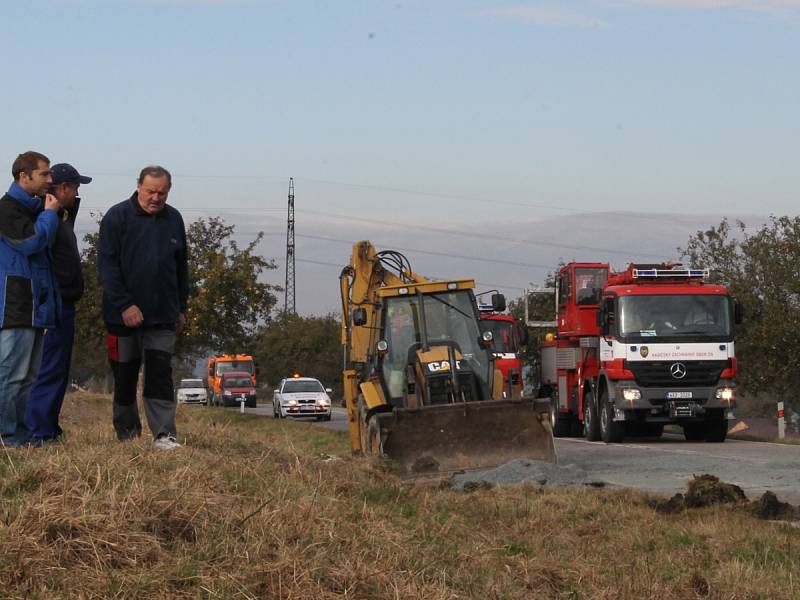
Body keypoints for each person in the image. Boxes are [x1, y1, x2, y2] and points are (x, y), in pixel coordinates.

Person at [98, 165, 188, 450]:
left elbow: (181, 269)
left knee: (160, 374)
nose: (156, 198)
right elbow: (107, 267)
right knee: (124, 376)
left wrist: (181, 307)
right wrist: (125, 305)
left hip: (163, 315)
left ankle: (164, 435)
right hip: (121, 317)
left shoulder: (174, 219)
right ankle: (127, 434)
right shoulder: (117, 217)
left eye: (162, 193)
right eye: (151, 191)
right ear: (139, 187)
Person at [25, 163, 92, 445]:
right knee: (48, 368)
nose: (77, 194)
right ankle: (38, 431)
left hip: (62, 302)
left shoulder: (59, 218)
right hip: (52, 303)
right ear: (62, 188)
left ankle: (48, 427)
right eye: (75, 188)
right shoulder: (45, 217)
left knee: (57, 368)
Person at [0, 151, 60, 447]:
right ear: (24, 176)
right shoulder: (7, 210)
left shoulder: (34, 209)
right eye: (44, 174)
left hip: (36, 305)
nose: (50, 179)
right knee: (12, 375)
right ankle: (8, 437)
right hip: (15, 304)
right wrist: (49, 215)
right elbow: (31, 243)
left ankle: (20, 435)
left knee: (28, 377)